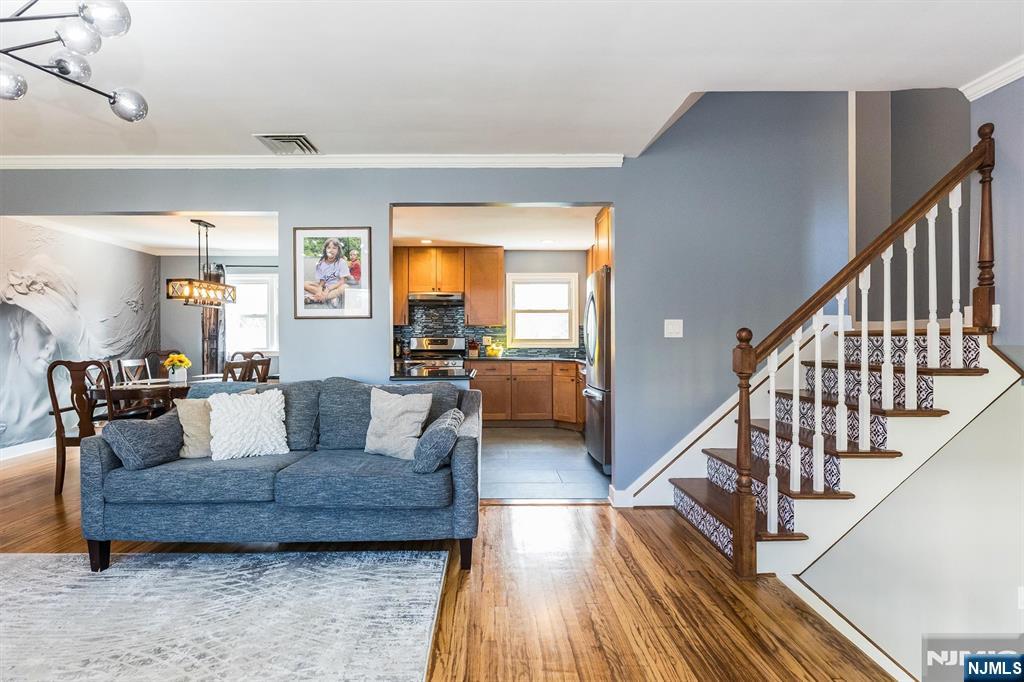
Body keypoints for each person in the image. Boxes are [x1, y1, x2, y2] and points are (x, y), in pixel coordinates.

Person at [303, 238, 349, 308]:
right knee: (304, 284)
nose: (331, 250)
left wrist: (329, 289)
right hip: (325, 286)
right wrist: (319, 289)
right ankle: (331, 297)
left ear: (338, 250)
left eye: (334, 248)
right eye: (329, 248)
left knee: (346, 287)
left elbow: (342, 281)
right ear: (325, 250)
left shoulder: (342, 262)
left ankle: (315, 298)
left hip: (336, 287)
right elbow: (322, 280)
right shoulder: (321, 262)